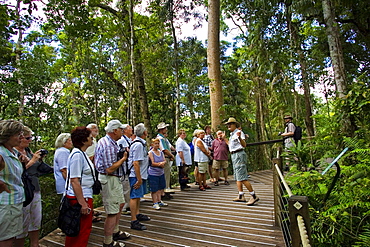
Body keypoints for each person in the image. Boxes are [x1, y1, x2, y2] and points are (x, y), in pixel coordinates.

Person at [95, 120, 130, 247]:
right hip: (109, 179)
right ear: (115, 131)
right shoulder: (108, 145)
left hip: (114, 179)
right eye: (121, 129)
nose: (122, 132)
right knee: (112, 211)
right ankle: (108, 241)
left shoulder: (109, 142)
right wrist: (123, 159)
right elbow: (109, 169)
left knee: (119, 204)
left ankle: (115, 231)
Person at [64, 126, 95, 247]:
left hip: (85, 195)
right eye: (89, 136)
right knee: (81, 230)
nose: (92, 138)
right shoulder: (77, 155)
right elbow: (74, 180)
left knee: (82, 229)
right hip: (80, 198)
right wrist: (82, 203)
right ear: (83, 140)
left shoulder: (82, 154)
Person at [14, 126, 44, 247]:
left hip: (34, 188)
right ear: (19, 138)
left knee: (36, 219)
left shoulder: (28, 151)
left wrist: (38, 160)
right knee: (22, 222)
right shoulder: (12, 153)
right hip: (22, 192)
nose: (30, 140)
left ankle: (35, 244)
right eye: (28, 138)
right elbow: (16, 173)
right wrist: (32, 161)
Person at [0, 120, 25, 247]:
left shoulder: (13, 152)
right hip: (6, 203)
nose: (22, 137)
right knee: (6, 240)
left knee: (12, 236)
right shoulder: (1, 153)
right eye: (18, 134)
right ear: (7, 135)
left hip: (14, 202)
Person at [225, 117, 259, 206]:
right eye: (228, 124)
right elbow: (231, 145)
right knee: (237, 176)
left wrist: (240, 138)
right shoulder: (232, 134)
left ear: (235, 125)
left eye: (230, 124)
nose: (228, 125)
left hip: (239, 155)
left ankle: (253, 195)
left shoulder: (239, 133)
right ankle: (241, 195)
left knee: (242, 177)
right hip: (234, 155)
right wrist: (224, 139)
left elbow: (244, 145)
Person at [128, 123, 151, 230]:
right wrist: (139, 178)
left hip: (141, 174)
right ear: (144, 133)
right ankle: (133, 220)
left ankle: (137, 214)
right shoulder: (138, 145)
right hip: (136, 175)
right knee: (134, 196)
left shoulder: (141, 143)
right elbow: (135, 163)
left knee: (138, 196)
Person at [85, 123, 102, 222]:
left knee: (92, 191)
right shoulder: (89, 141)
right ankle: (90, 213)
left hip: (94, 168)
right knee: (89, 191)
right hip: (90, 169)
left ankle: (92, 210)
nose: (96, 129)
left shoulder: (94, 140)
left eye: (96, 127)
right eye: (94, 128)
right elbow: (90, 157)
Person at [117, 124, 133, 215]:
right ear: (125, 130)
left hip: (128, 168)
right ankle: (123, 207)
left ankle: (127, 205)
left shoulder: (129, 140)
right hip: (123, 168)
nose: (131, 130)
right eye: (129, 128)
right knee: (124, 187)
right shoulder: (122, 140)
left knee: (127, 187)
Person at [156, 122, 175, 200]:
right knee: (164, 176)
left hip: (166, 158)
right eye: (165, 128)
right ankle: (163, 193)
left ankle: (165, 192)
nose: (166, 130)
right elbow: (164, 149)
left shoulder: (163, 138)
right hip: (163, 158)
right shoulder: (160, 139)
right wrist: (171, 155)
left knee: (166, 176)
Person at [148, 138, 167, 210]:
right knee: (154, 189)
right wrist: (159, 164)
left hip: (161, 172)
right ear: (152, 144)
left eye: (158, 143)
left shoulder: (161, 152)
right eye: (155, 143)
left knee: (160, 188)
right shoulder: (150, 153)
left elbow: (164, 160)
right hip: (153, 173)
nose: (157, 145)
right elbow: (152, 163)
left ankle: (159, 201)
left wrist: (163, 163)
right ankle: (154, 202)